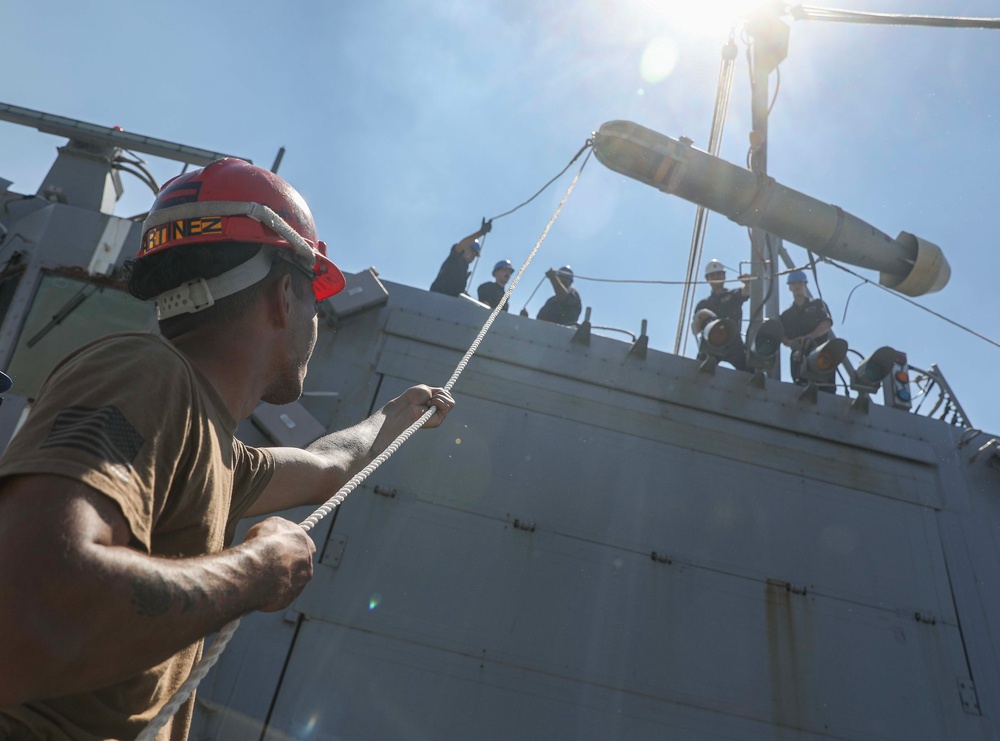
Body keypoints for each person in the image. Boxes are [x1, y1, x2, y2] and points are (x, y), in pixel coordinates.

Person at [0, 158, 455, 741]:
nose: (315, 323)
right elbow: (29, 612)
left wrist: (394, 416)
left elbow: (326, 466)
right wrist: (258, 572)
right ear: (285, 296)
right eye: (314, 301)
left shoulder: (215, 449)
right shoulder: (145, 373)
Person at [780, 269, 836, 393]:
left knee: (827, 395)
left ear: (805, 285)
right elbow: (781, 335)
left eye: (800, 283)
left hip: (821, 357)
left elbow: (827, 324)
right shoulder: (786, 315)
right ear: (790, 288)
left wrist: (809, 337)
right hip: (799, 360)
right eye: (794, 284)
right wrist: (789, 342)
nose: (797, 286)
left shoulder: (817, 304)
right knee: (800, 393)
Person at [691, 258, 751, 371]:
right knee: (698, 370)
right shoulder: (703, 304)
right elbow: (696, 328)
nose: (716, 277)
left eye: (719, 274)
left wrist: (749, 283)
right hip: (711, 343)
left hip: (734, 343)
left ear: (724, 276)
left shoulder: (733, 295)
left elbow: (746, 291)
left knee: (749, 371)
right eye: (713, 275)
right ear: (708, 279)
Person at [429, 221, 492, 297]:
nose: (473, 255)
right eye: (472, 250)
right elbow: (461, 245)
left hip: (449, 303)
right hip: (437, 298)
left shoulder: (464, 270)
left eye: (476, 254)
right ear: (465, 247)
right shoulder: (455, 258)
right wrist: (481, 232)